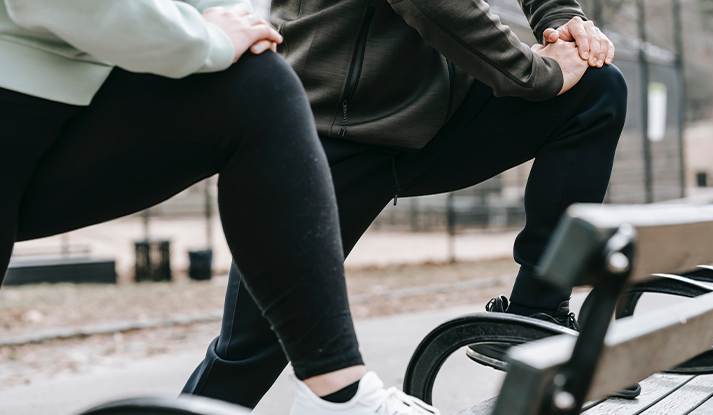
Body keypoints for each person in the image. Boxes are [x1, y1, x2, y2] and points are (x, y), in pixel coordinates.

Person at [184, 0, 632, 409]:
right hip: (325, 131)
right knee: (249, 350)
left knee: (595, 89)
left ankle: (536, 312)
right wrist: (538, 72)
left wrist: (561, 20)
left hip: (432, 115)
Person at [0, 1, 439, 414]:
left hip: (62, 95)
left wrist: (222, 23)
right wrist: (203, 39)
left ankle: (341, 392)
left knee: (254, 87)